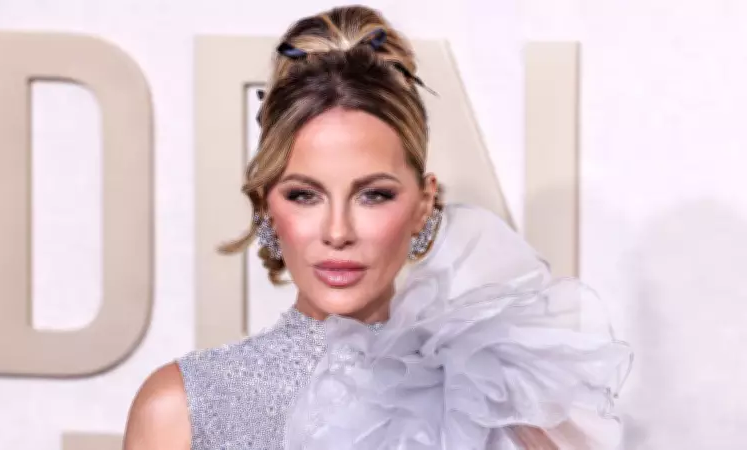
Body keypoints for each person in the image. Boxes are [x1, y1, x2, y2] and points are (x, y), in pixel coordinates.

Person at [123, 5, 632, 449]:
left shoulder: (495, 399)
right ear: (266, 205)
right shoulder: (182, 409)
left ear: (423, 205)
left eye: (373, 195)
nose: (338, 231)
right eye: (304, 195)